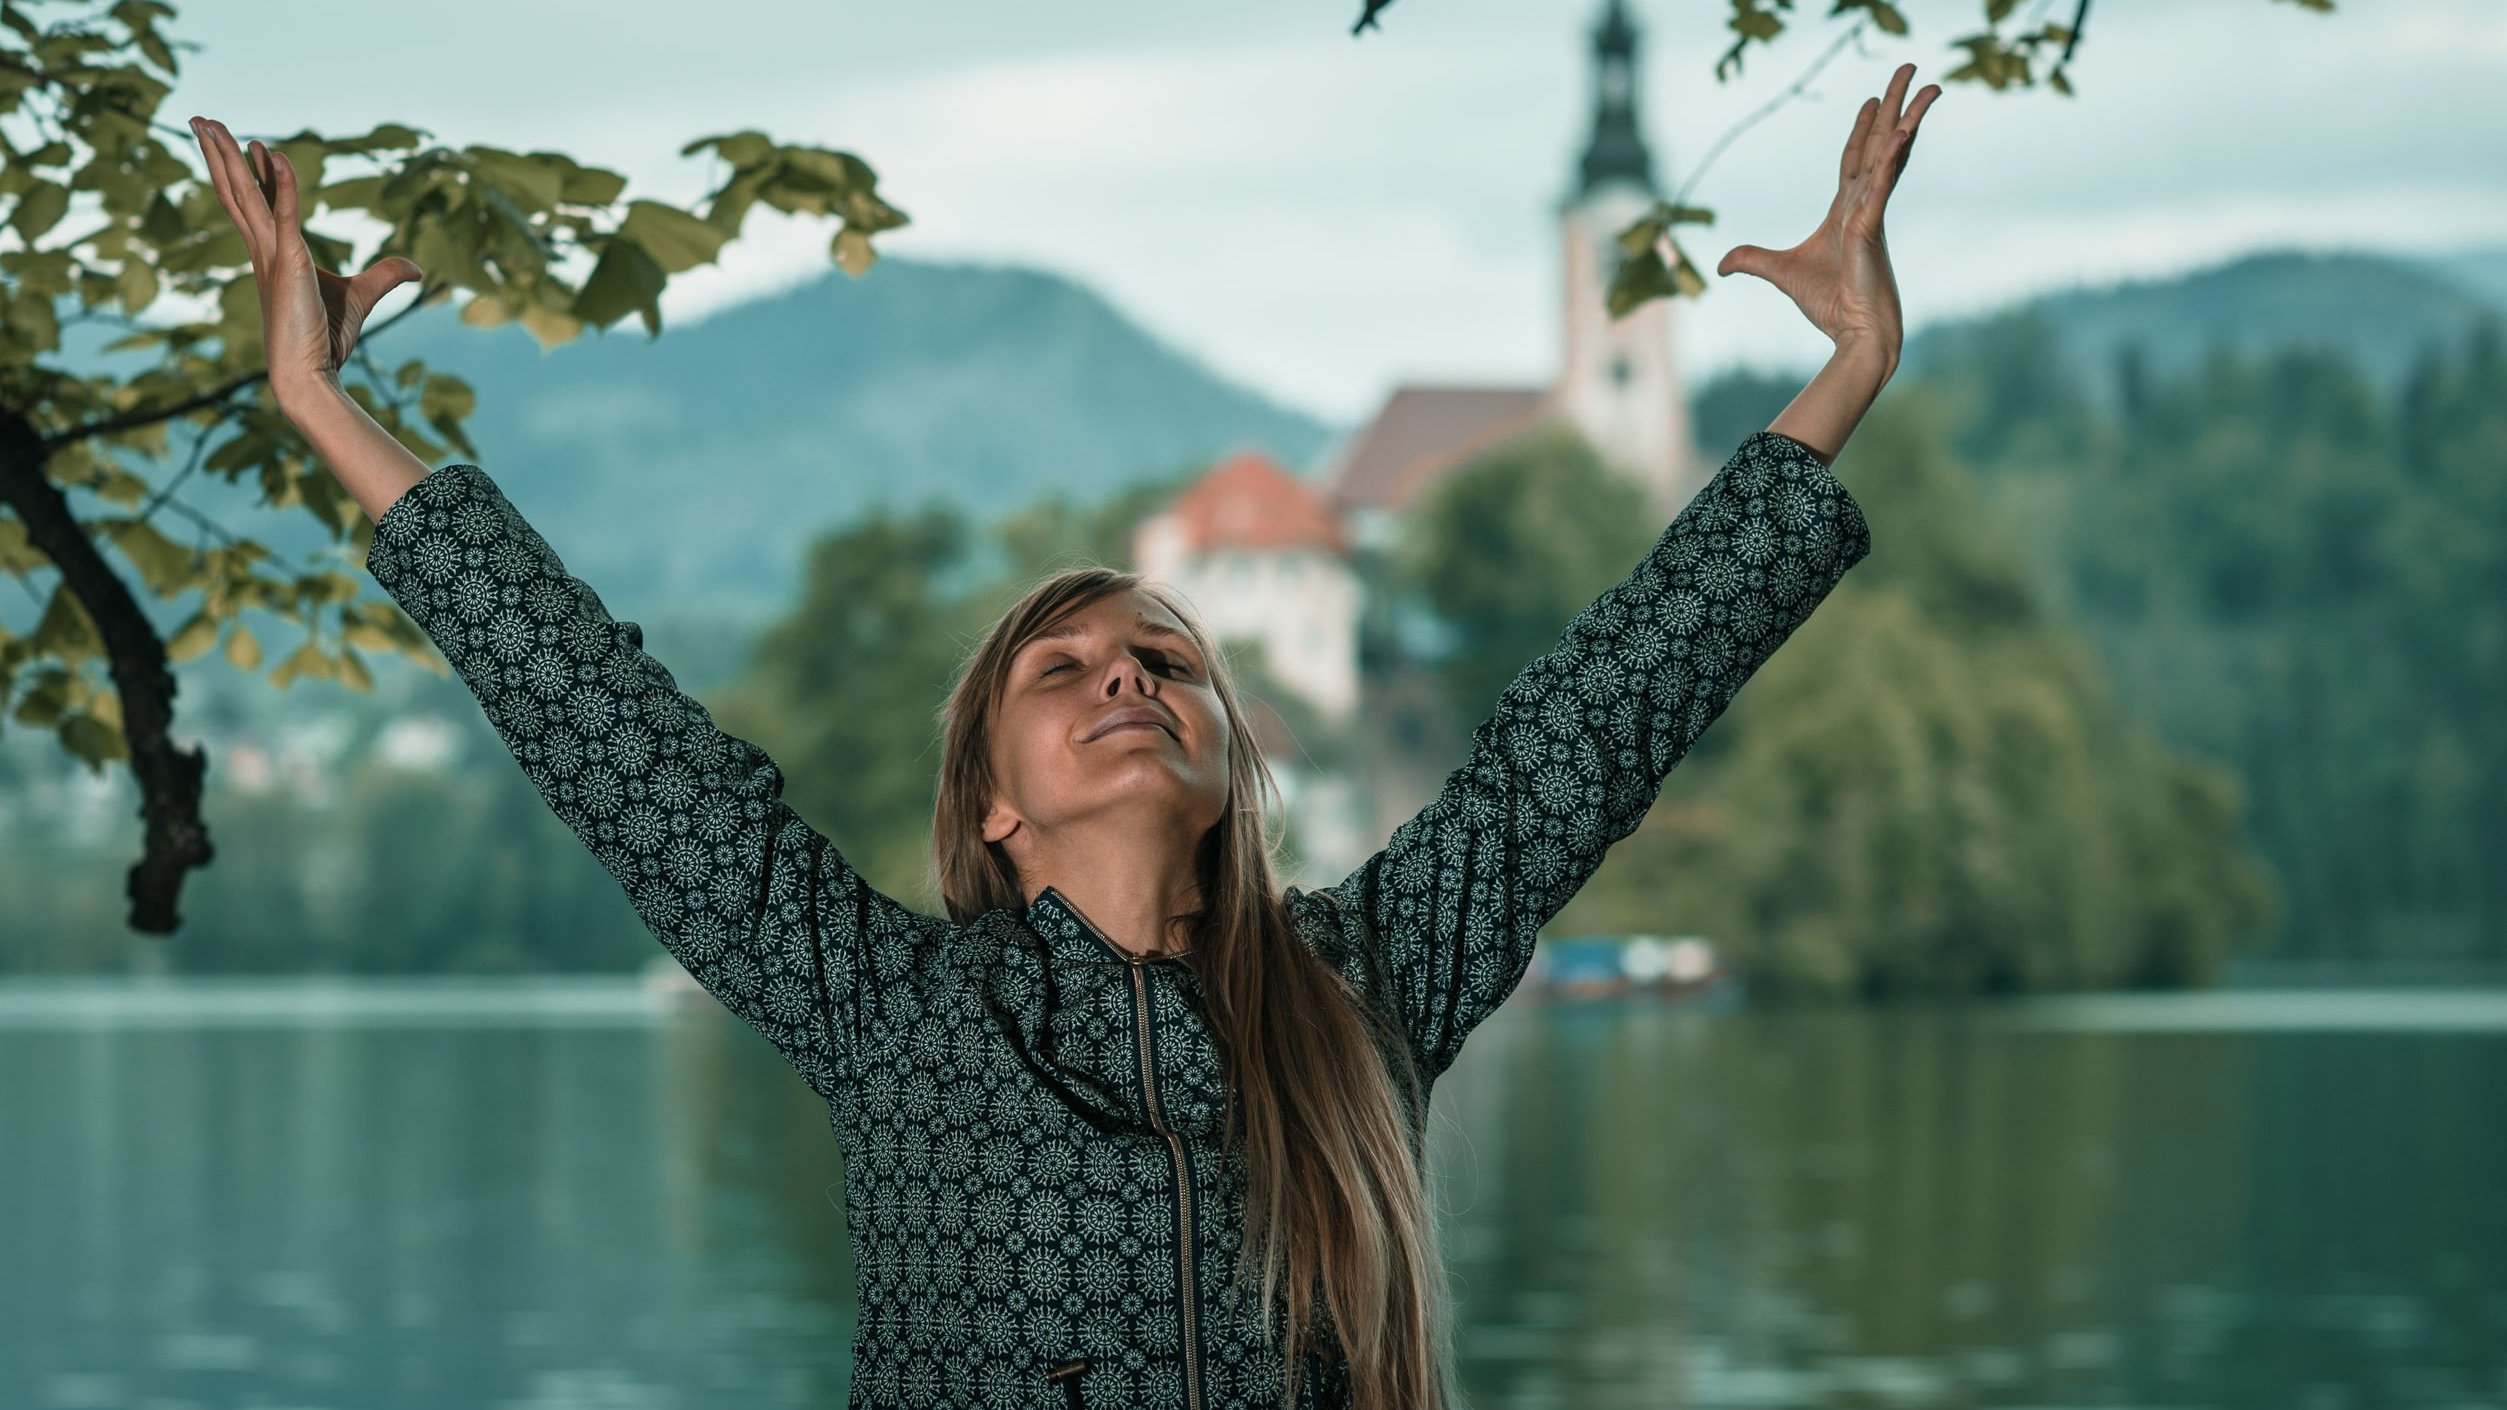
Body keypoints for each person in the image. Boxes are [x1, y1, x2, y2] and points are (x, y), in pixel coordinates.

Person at [188, 59, 1935, 1410]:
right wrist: (321, 400)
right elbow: (597, 711)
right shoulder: (886, 1009)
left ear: (1228, 758)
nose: (1125, 676)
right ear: (993, 809)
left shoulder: (1369, 983)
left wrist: (1845, 368)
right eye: (1065, 667)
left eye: (1164, 656)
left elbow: (1612, 700)